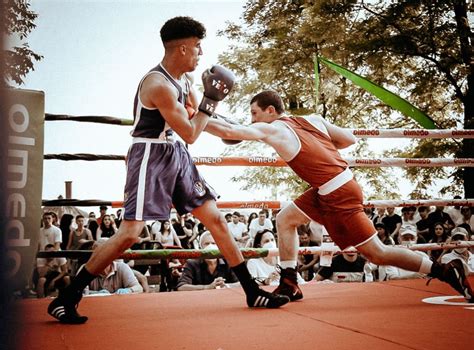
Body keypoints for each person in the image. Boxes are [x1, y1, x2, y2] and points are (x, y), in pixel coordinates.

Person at [48, 18, 289, 324]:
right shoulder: (157, 84)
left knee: (215, 218)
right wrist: (211, 101)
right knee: (130, 234)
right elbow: (191, 130)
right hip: (149, 154)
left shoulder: (184, 83)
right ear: (183, 47)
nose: (201, 54)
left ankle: (251, 290)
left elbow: (199, 120)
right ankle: (67, 297)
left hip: (175, 151)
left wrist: (238, 131)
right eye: (198, 47)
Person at [205, 89, 473, 303]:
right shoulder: (313, 119)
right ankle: (290, 282)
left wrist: (193, 115)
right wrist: (321, 151)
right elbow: (348, 140)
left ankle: (444, 270)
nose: (252, 120)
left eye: (254, 113)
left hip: (339, 193)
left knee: (377, 254)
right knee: (286, 218)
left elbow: (230, 132)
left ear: (271, 111)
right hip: (329, 188)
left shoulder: (273, 128)